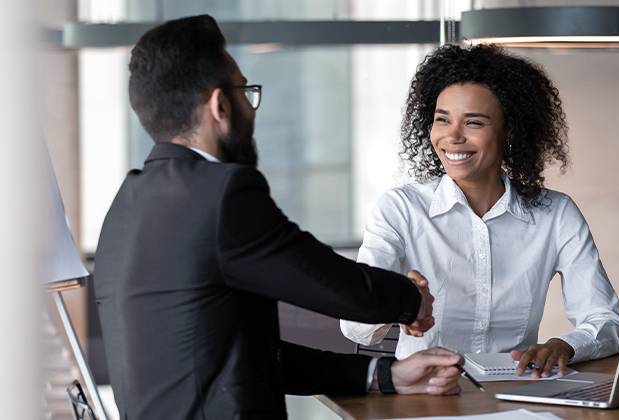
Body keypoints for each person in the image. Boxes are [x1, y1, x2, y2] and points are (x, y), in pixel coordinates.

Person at [93, 15, 463, 420]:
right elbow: (329, 281)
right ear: (219, 105)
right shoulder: (221, 194)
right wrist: (410, 300)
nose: (251, 112)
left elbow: (247, 359)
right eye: (245, 94)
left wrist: (386, 375)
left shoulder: (126, 204)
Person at [341, 44, 619, 379]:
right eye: (442, 120)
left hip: (517, 393)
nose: (452, 136)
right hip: (424, 394)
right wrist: (398, 299)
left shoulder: (556, 214)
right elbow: (354, 327)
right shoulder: (401, 209)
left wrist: (564, 345)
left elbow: (607, 323)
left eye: (473, 122)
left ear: (510, 132)